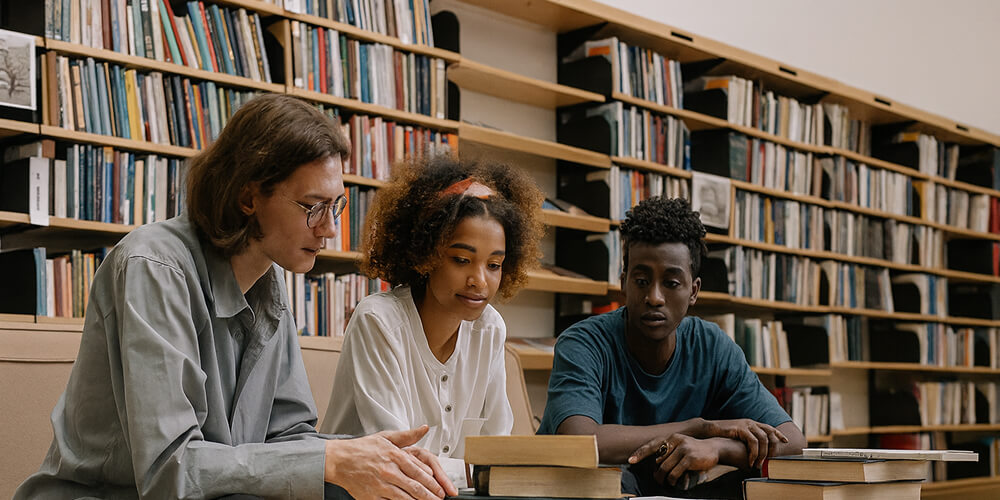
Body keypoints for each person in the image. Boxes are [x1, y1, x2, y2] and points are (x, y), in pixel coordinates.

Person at [14, 94, 458, 500]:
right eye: (312, 207)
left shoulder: (270, 282)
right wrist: (329, 460)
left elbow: (287, 438)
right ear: (249, 196)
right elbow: (170, 468)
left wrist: (371, 455)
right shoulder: (154, 266)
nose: (329, 228)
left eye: (335, 206)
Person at [538, 197, 805, 499]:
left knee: (758, 483)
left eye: (671, 283)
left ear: (693, 291)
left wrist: (716, 447)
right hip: (590, 491)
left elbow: (793, 441)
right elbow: (579, 440)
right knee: (608, 481)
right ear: (623, 283)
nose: (654, 297)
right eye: (641, 280)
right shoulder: (584, 343)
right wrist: (700, 428)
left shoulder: (712, 347)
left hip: (671, 493)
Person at [321, 156, 544, 482]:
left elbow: (499, 457)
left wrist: (485, 469)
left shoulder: (490, 329)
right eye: (461, 260)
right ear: (426, 254)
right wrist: (477, 470)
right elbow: (397, 465)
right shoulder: (378, 322)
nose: (480, 281)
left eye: (494, 265)